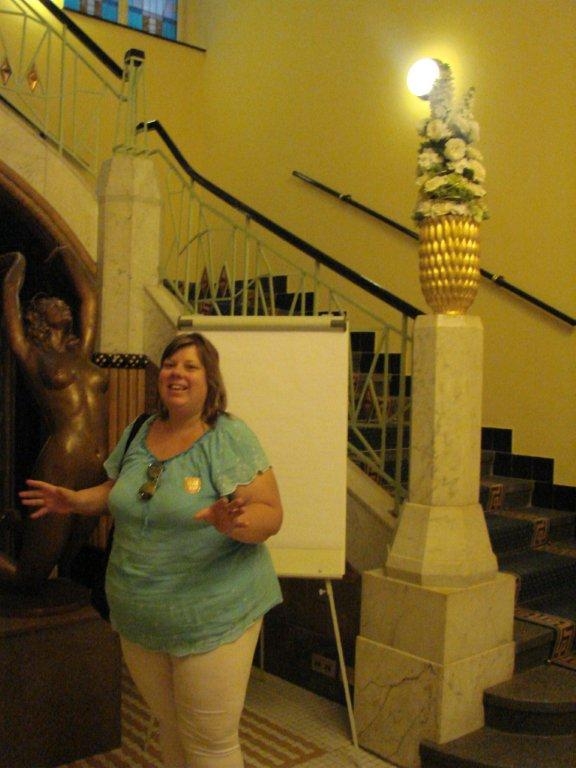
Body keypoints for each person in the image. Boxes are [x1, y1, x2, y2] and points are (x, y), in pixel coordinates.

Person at [20, 331, 284, 768]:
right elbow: (118, 492)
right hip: (141, 616)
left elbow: (270, 514)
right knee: (172, 726)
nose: (176, 373)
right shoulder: (141, 429)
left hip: (212, 616)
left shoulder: (228, 436)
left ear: (210, 379)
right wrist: (73, 500)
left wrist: (234, 523)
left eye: (190, 366)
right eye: (170, 364)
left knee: (209, 743)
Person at [0, 249, 109, 587]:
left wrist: (66, 253)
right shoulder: (32, 355)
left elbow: (89, 297)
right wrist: (17, 264)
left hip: (97, 467)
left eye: (63, 303)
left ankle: (19, 526)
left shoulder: (81, 352)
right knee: (29, 577)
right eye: (53, 303)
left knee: (67, 557)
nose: (63, 305)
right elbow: (10, 298)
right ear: (36, 317)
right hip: (63, 463)